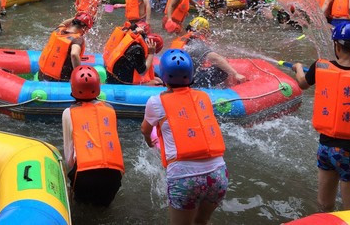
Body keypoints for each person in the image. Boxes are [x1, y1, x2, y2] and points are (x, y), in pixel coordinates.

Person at [291, 22, 350, 212]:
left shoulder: (320, 67)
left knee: (324, 206)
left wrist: (298, 68)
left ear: (336, 46)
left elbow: (303, 83)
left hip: (325, 147)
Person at [141, 50, 228, 225]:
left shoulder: (155, 101)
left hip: (184, 178)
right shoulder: (203, 97)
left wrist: (150, 143)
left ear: (163, 76)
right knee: (201, 221)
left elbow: (145, 129)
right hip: (218, 174)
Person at [62, 66, 124, 206]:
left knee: (80, 210)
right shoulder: (109, 109)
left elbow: (69, 157)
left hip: (85, 173)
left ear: (73, 87)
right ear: (98, 87)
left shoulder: (68, 112)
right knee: (103, 210)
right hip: (114, 174)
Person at [170, 17, 246, 87]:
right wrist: (235, 74)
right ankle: (228, 89)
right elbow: (216, 58)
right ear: (204, 31)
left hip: (171, 78)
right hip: (186, 82)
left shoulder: (182, 39)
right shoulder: (197, 43)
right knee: (223, 69)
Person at [37, 12, 92, 82]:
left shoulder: (59, 30)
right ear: (85, 28)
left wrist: (77, 17)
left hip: (41, 75)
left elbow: (64, 23)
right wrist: (79, 74)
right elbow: (74, 54)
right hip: (58, 81)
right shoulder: (77, 39)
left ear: (72, 22)